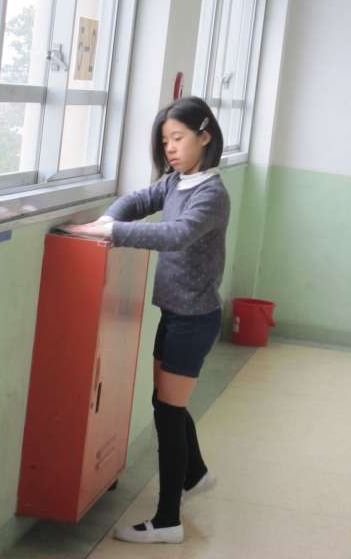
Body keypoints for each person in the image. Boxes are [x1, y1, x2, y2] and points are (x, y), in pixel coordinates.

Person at [59, 96, 230, 544]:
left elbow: (177, 235)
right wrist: (106, 219)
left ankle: (168, 519)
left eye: (178, 138)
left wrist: (113, 233)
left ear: (204, 137)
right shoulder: (175, 182)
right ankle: (196, 474)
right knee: (165, 402)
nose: (170, 148)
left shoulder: (211, 194)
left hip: (195, 319)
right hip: (174, 313)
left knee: (169, 412)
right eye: (165, 140)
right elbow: (138, 200)